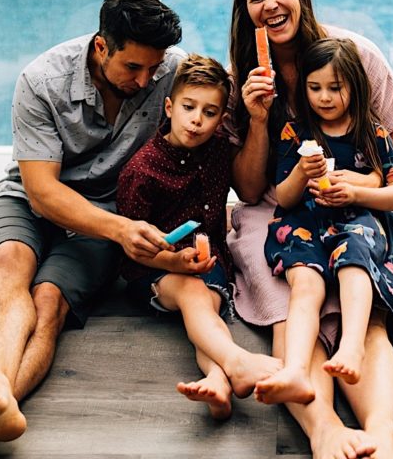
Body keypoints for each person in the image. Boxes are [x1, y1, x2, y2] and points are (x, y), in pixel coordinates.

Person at [0, 0, 185, 459]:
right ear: (102, 47)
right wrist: (123, 230)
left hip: (105, 212)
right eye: (133, 68)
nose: (146, 79)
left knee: (50, 299)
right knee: (9, 266)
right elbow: (41, 192)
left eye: (154, 67)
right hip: (33, 198)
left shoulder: (171, 70)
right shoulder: (42, 79)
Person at [225, 0, 393, 459]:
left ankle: (382, 432)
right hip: (281, 211)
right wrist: (259, 118)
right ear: (245, 12)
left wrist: (359, 186)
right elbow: (250, 188)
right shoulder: (245, 78)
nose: (269, 5)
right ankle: (325, 433)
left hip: (358, 203)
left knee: (363, 316)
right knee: (297, 310)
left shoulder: (351, 54)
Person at [255, 37, 393, 409]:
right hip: (305, 222)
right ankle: (297, 369)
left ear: (355, 87)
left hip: (357, 220)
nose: (325, 97)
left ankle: (351, 348)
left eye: (335, 88)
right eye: (315, 88)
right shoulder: (295, 133)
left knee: (355, 260)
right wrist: (301, 172)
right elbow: (283, 197)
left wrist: (356, 194)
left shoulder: (372, 132)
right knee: (305, 282)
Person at [116, 54, 282, 420]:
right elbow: (132, 252)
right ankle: (237, 361)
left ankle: (217, 379)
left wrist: (258, 121)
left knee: (205, 308)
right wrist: (171, 261)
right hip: (153, 270)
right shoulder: (141, 171)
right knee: (194, 296)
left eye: (209, 112)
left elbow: (250, 187)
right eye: (189, 107)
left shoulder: (218, 150)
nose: (197, 120)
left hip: (208, 264)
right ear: (170, 107)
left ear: (221, 118)